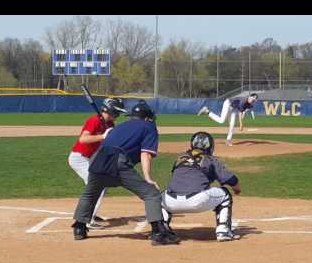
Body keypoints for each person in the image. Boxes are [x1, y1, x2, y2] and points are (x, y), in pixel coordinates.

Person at [71, 100, 179, 246]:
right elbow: (145, 153)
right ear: (147, 117)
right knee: (151, 193)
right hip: (118, 161)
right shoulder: (149, 126)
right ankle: (158, 232)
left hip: (97, 159)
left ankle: (79, 227)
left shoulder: (119, 127)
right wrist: (148, 177)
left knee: (91, 192)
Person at [161, 132, 242, 242]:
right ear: (210, 146)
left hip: (170, 202)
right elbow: (231, 180)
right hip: (197, 200)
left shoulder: (180, 158)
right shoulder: (210, 159)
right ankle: (223, 231)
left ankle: (162, 229)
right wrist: (237, 189)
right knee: (225, 194)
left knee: (161, 196)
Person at [68, 98, 127, 229]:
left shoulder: (110, 125)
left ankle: (89, 213)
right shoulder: (94, 120)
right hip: (79, 158)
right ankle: (87, 219)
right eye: (117, 112)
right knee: (98, 186)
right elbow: (83, 139)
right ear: (111, 110)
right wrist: (102, 136)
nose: (118, 115)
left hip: (90, 159)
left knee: (97, 186)